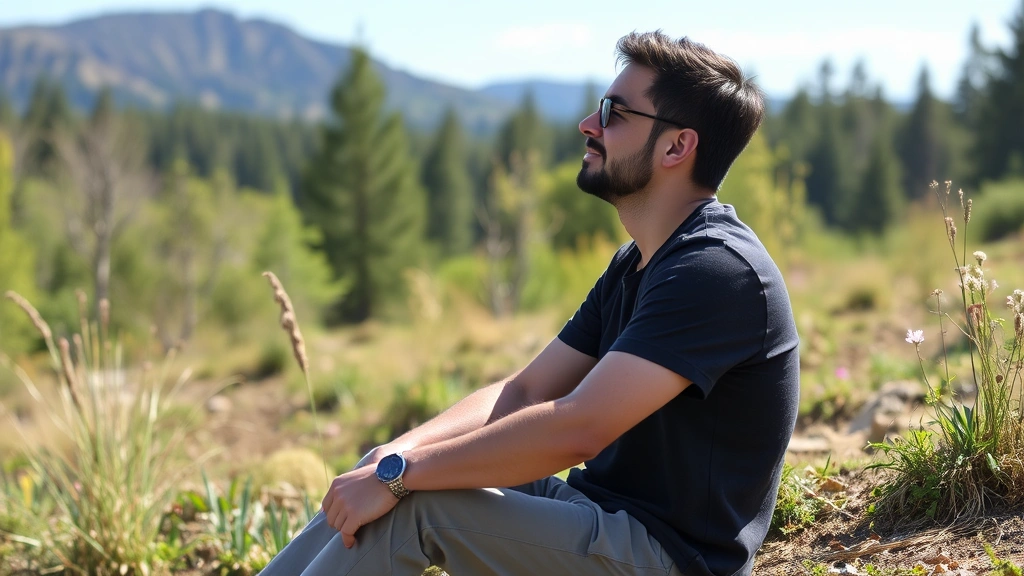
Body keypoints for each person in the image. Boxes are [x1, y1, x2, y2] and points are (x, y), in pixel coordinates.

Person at [260, 30, 799, 576]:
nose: (588, 124)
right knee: (381, 471)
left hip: (666, 556)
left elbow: (579, 427)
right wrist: (393, 458)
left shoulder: (716, 271)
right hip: (600, 513)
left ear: (676, 147)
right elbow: (524, 391)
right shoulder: (638, 262)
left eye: (613, 113)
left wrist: (403, 476)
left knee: (415, 507)